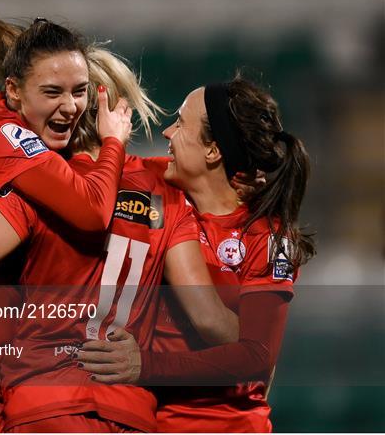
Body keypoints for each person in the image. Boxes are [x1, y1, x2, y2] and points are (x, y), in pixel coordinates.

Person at [0, 45, 241, 432]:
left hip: (46, 403)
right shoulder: (166, 197)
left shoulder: (39, 190)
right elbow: (211, 321)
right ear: (119, 114)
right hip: (128, 410)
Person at [0, 14, 138, 433]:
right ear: (13, 90)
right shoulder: (3, 138)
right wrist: (113, 143)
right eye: (52, 92)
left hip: (13, 363)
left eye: (80, 92)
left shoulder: (36, 153)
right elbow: (92, 213)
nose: (69, 107)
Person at [75, 75, 316, 432]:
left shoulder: (268, 237)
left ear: (213, 151)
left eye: (181, 123)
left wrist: (146, 366)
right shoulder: (154, 182)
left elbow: (258, 358)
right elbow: (79, 168)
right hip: (150, 420)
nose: (168, 133)